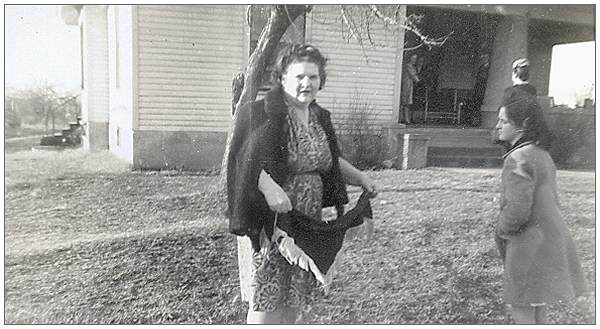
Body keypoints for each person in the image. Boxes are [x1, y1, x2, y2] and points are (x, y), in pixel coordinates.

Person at [226, 44, 378, 324]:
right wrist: (268, 187)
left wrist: (360, 177)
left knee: (295, 291)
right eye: (299, 77)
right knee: (267, 295)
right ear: (283, 78)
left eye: (313, 77)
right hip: (274, 220)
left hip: (308, 219)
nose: (306, 83)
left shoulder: (320, 117)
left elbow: (330, 159)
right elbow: (241, 160)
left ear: (321, 80)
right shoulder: (263, 112)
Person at [493, 96, 587, 324]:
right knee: (538, 305)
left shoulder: (517, 158)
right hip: (548, 239)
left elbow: (517, 209)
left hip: (527, 244)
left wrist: (501, 230)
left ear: (523, 125)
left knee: (521, 306)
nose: (497, 126)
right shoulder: (541, 154)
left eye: (503, 121)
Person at [400, 53, 420, 124]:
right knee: (406, 103)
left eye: (415, 59)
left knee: (409, 103)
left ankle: (408, 118)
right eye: (413, 58)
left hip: (411, 86)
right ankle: (406, 119)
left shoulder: (413, 67)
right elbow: (414, 77)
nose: (414, 60)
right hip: (407, 85)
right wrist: (420, 81)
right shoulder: (408, 66)